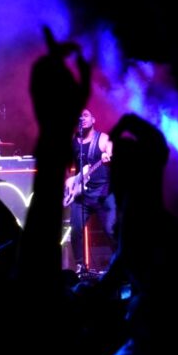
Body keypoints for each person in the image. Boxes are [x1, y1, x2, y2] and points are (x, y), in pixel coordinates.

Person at [65, 108, 115, 273]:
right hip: (81, 195)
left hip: (102, 192)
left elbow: (111, 149)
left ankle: (120, 265)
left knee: (111, 230)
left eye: (85, 115)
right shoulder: (73, 141)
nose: (82, 118)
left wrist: (108, 155)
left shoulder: (102, 138)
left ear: (93, 119)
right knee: (75, 229)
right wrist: (70, 181)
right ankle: (80, 266)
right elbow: (68, 167)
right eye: (79, 116)